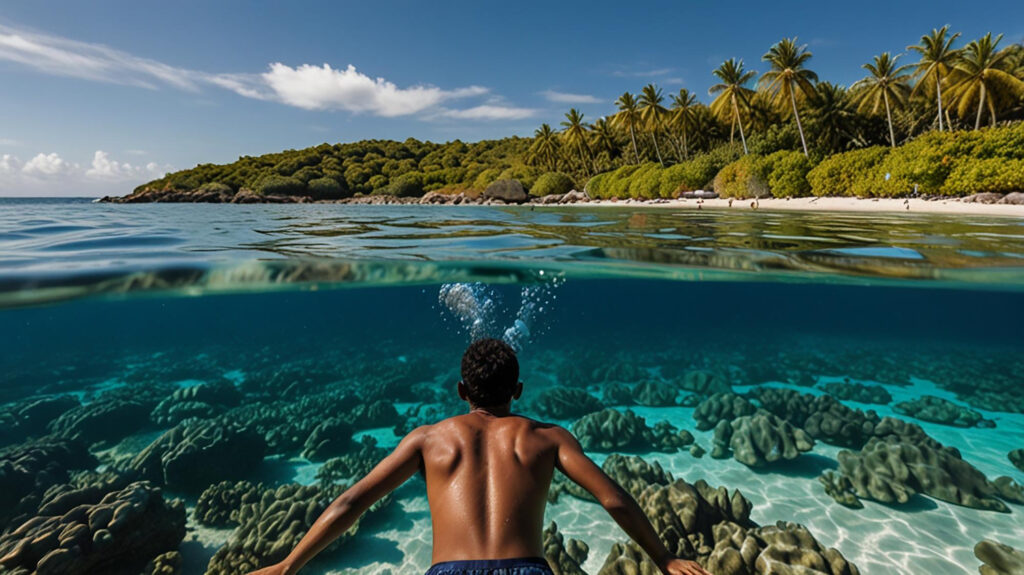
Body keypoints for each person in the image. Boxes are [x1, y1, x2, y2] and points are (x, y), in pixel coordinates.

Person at [249, 338, 710, 575]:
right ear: (519, 391)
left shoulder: (427, 440)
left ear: (461, 391)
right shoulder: (549, 437)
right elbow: (613, 500)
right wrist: (664, 558)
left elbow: (352, 502)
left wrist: (289, 565)